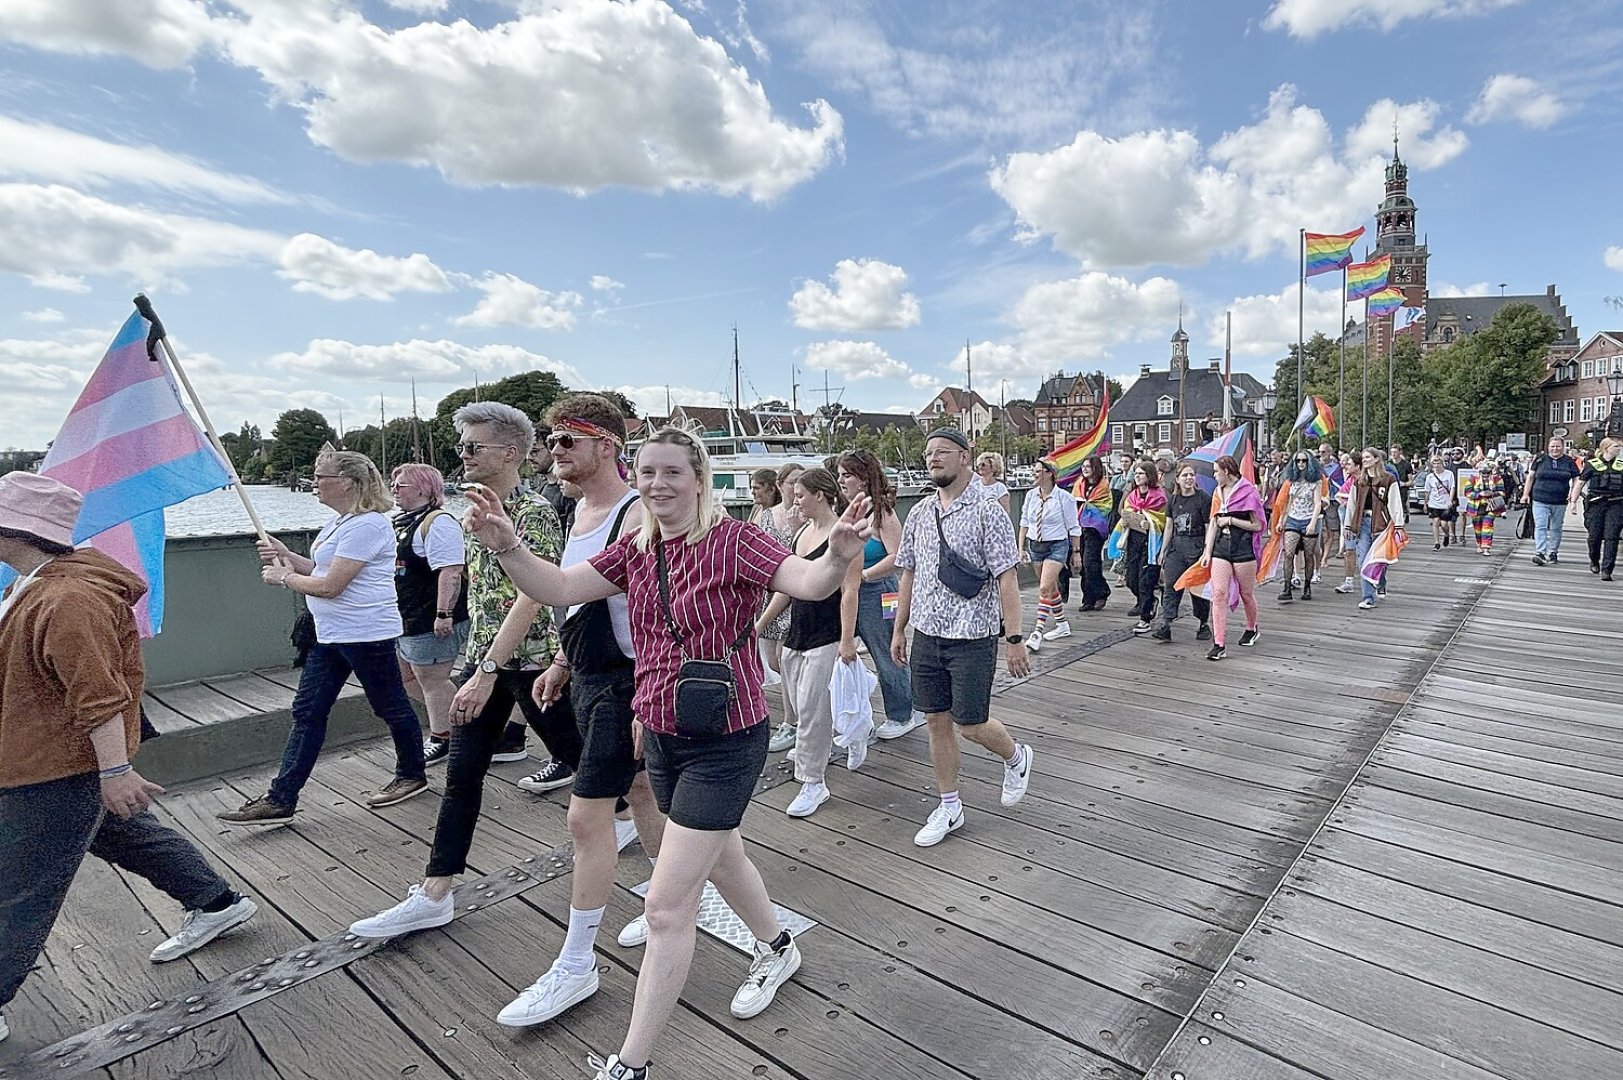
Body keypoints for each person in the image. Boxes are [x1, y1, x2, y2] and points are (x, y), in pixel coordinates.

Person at [462, 426, 870, 1080]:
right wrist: (506, 544)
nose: (657, 485)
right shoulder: (635, 549)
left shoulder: (734, 540)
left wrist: (836, 558)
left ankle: (631, 1065)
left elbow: (806, 580)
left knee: (665, 906)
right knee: (722, 854)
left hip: (727, 738)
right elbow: (560, 588)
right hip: (661, 734)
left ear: (698, 479)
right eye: (647, 472)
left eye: (672, 473)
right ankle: (777, 946)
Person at [351, 396, 670, 1029]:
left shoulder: (553, 512)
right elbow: (554, 594)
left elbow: (549, 590)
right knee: (478, 776)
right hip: (535, 665)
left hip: (545, 667)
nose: (463, 457)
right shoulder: (540, 509)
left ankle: (598, 947)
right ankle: (436, 891)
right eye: (460, 447)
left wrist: (504, 667)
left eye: (473, 447)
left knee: (602, 802)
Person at [2, 474, 258, 1044]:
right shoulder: (39, 583)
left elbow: (99, 695)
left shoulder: (69, 598)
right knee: (122, 833)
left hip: (53, 765)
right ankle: (217, 903)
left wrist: (114, 772)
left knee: (20, 884)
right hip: (43, 757)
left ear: (14, 530)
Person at [221, 451, 428, 823]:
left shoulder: (368, 525)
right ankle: (281, 797)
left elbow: (332, 586)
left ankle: (412, 774)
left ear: (347, 481)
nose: (314, 481)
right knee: (308, 711)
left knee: (390, 706)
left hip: (365, 634)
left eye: (321, 475)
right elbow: (320, 569)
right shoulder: (340, 523)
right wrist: (288, 556)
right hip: (330, 634)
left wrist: (283, 577)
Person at [890, 428, 1034, 849]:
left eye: (942, 452)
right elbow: (908, 574)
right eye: (928, 453)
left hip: (973, 634)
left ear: (965, 457)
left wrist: (1015, 637)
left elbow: (1008, 577)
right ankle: (949, 805)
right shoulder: (918, 513)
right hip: (928, 634)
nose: (933, 459)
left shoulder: (989, 511)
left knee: (969, 723)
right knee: (935, 721)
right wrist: (900, 629)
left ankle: (1015, 756)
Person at [756, 469, 861, 817]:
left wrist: (847, 641)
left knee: (813, 711)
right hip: (796, 633)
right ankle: (853, 733)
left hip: (825, 634)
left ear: (820, 495)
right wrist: (759, 626)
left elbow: (849, 592)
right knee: (803, 709)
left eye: (800, 495)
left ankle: (813, 782)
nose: (795, 500)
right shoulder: (801, 533)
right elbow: (788, 588)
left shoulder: (842, 535)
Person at [837, 450, 926, 741]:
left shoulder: (881, 513)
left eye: (846, 475)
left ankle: (903, 713)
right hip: (852, 594)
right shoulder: (850, 511)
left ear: (862, 479)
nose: (840, 480)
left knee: (887, 651)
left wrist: (865, 575)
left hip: (880, 592)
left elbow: (899, 555)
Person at [389, 463, 469, 767]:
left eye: (402, 485)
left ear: (424, 489)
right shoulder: (400, 523)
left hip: (428, 616)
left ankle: (443, 736)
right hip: (403, 617)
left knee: (432, 679)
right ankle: (465, 716)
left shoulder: (438, 523)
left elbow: (451, 571)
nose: (394, 489)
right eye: (394, 484)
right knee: (406, 676)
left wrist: (444, 613)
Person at [1198, 454, 1263, 661]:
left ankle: (1252, 627)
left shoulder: (1249, 491)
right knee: (1218, 594)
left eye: (1216, 471)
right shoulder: (1217, 492)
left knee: (1246, 593)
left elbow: (1258, 525)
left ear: (1226, 471)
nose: (1215, 475)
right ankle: (1219, 643)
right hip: (1221, 548)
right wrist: (1207, 552)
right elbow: (1214, 522)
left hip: (1243, 547)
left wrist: (1233, 521)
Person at [1016, 459, 1081, 650]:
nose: (1034, 474)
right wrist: (1020, 548)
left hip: (1057, 545)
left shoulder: (1064, 498)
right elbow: (1025, 522)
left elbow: (1074, 527)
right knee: (1050, 588)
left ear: (1049, 473)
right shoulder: (1030, 496)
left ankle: (1037, 632)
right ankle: (1062, 624)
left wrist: (1075, 552)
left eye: (1037, 471)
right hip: (1036, 545)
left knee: (1044, 587)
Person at [748, 468, 792, 722]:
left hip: (782, 588)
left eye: (757, 488)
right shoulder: (759, 513)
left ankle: (792, 716)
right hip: (764, 590)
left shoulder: (781, 518)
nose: (753, 492)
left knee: (782, 657)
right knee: (775, 660)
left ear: (770, 488)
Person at [1152, 462, 1212, 643]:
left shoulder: (1202, 499)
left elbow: (1209, 527)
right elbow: (1169, 526)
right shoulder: (1174, 500)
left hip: (1196, 545)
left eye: (1191, 475)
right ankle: (1166, 623)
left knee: (1196, 587)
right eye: (1185, 475)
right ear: (1177, 479)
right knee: (1171, 583)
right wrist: (1163, 550)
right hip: (1177, 546)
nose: (1189, 478)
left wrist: (1207, 551)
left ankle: (1203, 623)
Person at [1345, 447, 1406, 611]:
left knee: (1379, 560)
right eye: (1363, 458)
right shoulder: (1359, 481)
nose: (1364, 460)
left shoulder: (1388, 479)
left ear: (1376, 459)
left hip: (1381, 524)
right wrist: (1348, 525)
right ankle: (1368, 597)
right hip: (1362, 523)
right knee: (1364, 560)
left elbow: (1395, 503)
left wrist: (1398, 525)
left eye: (1367, 457)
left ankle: (1380, 580)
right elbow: (1352, 503)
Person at [1118, 460, 1167, 634]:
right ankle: (1149, 600)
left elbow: (1162, 520)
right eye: (1136, 474)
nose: (1137, 477)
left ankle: (1145, 618)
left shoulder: (1159, 496)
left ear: (1149, 476)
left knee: (1145, 581)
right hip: (1134, 541)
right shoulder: (1132, 496)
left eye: (1140, 474)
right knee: (1132, 579)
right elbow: (1126, 513)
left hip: (1151, 543)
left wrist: (1150, 522)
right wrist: (1126, 520)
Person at [1523, 436, 1581, 566]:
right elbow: (1531, 477)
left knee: (1556, 527)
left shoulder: (1569, 461)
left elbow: (1577, 479)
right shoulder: (1540, 459)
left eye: (1558, 446)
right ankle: (1540, 552)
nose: (1555, 449)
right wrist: (1525, 494)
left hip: (1560, 499)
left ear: (1563, 447)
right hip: (1540, 498)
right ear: (1548, 447)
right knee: (1541, 525)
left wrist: (1573, 496)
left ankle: (1553, 552)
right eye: (1552, 446)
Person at [1275, 451, 1324, 602]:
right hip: (1293, 519)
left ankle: (1307, 586)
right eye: (1298, 461)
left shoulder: (1316, 482)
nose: (1301, 464)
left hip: (1308, 518)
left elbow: (1318, 503)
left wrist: (1313, 523)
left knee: (1309, 554)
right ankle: (1287, 587)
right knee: (1289, 553)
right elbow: (1288, 502)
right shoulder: (1292, 481)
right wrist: (1281, 520)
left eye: (1304, 461)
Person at [1576, 438, 1623, 580]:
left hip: (1616, 503)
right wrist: (1573, 501)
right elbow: (1580, 483)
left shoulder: (1621, 465)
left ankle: (1607, 570)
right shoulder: (1592, 465)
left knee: (1612, 536)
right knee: (1594, 536)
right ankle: (1594, 559)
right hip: (1596, 503)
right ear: (1607, 448)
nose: (1619, 449)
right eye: (1616, 446)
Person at [1075, 455, 1112, 611]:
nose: (1084, 469)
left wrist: (1088, 507)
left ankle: (1102, 592)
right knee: (1083, 565)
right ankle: (1088, 598)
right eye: (1083, 466)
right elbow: (1074, 503)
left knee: (1091, 562)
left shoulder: (1103, 487)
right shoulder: (1079, 484)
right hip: (1079, 527)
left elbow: (1105, 507)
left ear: (1095, 468)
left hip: (1095, 528)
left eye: (1088, 466)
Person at [1460, 463, 1507, 556]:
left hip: (1491, 507)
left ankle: (1486, 548)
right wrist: (1479, 494)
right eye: (1483, 473)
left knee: (1487, 526)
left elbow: (1503, 493)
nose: (1485, 475)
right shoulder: (1473, 479)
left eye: (1488, 473)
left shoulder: (1497, 479)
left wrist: (1492, 493)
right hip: (1476, 508)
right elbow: (1467, 492)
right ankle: (1479, 544)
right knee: (1477, 527)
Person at [1422, 456, 1456, 550]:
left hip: (1445, 503)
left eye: (1438, 463)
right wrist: (1426, 503)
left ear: (1442, 464)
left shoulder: (1449, 474)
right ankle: (1436, 543)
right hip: (1434, 503)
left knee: (1444, 524)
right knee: (1435, 522)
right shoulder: (1430, 477)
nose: (1436, 466)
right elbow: (1427, 490)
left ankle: (1446, 534)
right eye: (1434, 464)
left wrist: (1450, 499)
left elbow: (1452, 487)